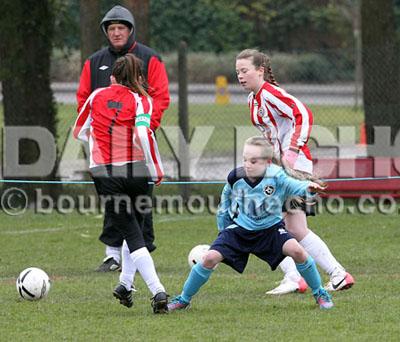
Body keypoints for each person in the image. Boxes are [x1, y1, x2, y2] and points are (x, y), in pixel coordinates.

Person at [235, 49, 354, 294]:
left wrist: (290, 153)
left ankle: (310, 276)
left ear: (260, 70)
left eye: (244, 71)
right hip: (280, 167)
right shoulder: (253, 99)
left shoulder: (270, 93)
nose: (240, 76)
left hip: (294, 167)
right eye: (237, 72)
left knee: (271, 223)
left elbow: (303, 114)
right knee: (289, 227)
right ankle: (328, 275)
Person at [167, 136, 334, 312]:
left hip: (270, 230)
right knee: (209, 258)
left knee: (298, 252)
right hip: (240, 230)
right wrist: (223, 231)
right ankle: (183, 299)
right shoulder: (235, 177)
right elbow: (225, 204)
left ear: (268, 163)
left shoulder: (276, 175)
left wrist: (308, 186)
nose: (247, 164)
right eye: (245, 159)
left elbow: (293, 185)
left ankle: (320, 293)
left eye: (253, 161)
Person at [76, 5, 170, 272]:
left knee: (141, 199)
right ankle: (112, 254)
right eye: (111, 28)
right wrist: (98, 131)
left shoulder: (150, 58)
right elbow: (83, 98)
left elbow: (160, 97)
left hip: (139, 141)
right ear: (106, 32)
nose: (116, 33)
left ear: (130, 30)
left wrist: (144, 128)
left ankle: (139, 254)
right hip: (105, 145)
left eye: (121, 28)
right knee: (112, 198)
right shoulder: (94, 61)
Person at [73, 54, 168, 313]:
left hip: (105, 172)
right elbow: (143, 134)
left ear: (112, 77)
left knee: (132, 233)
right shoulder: (142, 100)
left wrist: (97, 143)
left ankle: (158, 290)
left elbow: (78, 131)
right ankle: (125, 284)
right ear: (138, 79)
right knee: (134, 230)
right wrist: (157, 170)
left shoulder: (96, 96)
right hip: (136, 172)